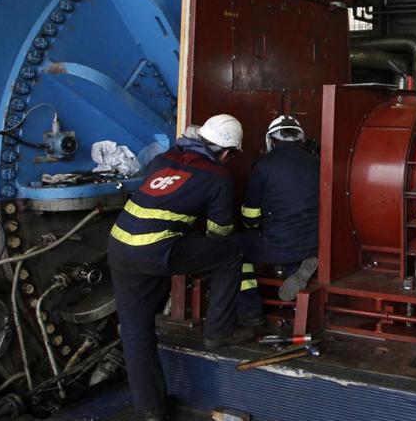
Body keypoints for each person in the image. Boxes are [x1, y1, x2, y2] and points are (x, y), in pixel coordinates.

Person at [108, 114, 250, 421]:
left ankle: (151, 410)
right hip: (157, 249)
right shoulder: (217, 177)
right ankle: (218, 333)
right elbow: (219, 232)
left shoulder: (163, 160)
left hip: (120, 247)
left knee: (135, 333)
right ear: (226, 153)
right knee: (230, 254)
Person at [236, 115, 320, 325]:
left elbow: (250, 215)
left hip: (278, 243)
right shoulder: (316, 164)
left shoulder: (263, 165)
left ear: (271, 140)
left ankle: (250, 310)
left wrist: (252, 228)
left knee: (235, 251)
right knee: (292, 243)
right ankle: (299, 269)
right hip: (312, 242)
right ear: (299, 139)